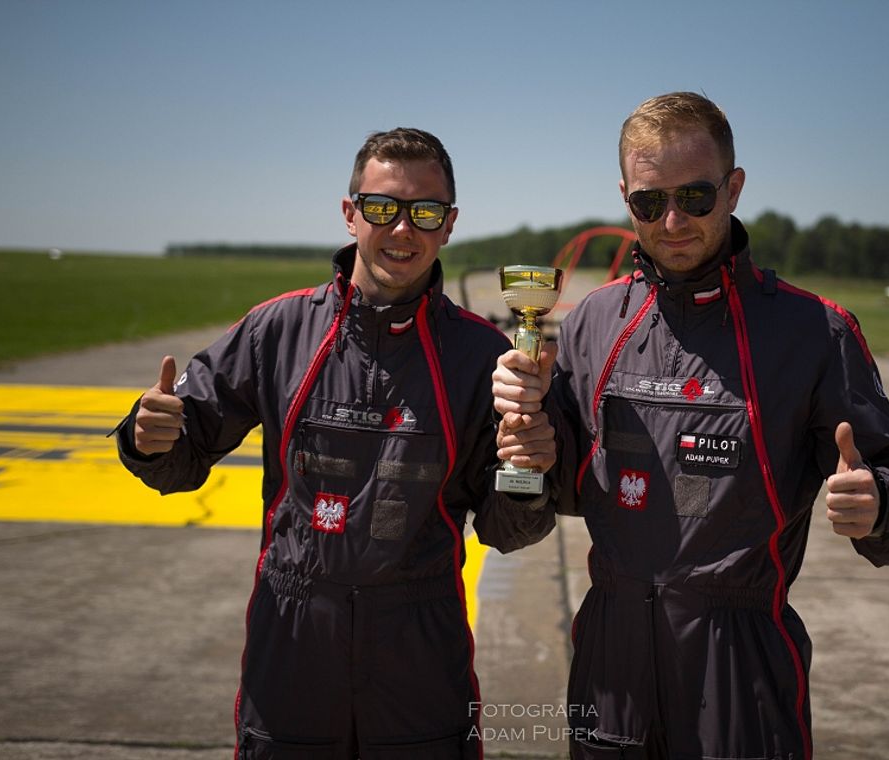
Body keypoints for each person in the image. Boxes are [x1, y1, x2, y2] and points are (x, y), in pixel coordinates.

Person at [493, 92, 889, 759]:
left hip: (741, 660)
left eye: (695, 197)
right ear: (624, 198)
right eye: (648, 202)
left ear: (733, 188)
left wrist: (879, 504)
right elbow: (545, 495)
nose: (671, 221)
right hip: (610, 659)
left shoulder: (814, 332)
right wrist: (523, 444)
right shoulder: (590, 324)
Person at [115, 127, 557, 759]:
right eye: (382, 208)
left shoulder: (484, 355)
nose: (403, 230)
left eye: (425, 212)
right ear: (350, 214)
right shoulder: (277, 330)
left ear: (449, 225)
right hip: (293, 638)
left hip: (420, 645)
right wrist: (150, 437)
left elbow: (506, 527)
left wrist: (529, 472)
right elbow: (179, 456)